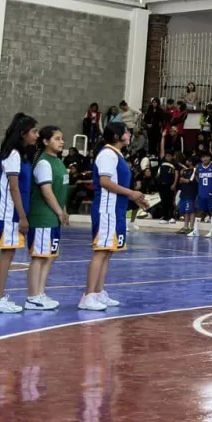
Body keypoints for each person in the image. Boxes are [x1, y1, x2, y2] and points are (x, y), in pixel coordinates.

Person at [82, 123, 145, 311]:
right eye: (126, 132)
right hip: (106, 209)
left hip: (115, 209)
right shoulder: (108, 154)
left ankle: (99, 292)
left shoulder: (116, 155)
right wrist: (131, 193)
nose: (129, 135)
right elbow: (105, 182)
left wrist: (136, 198)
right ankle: (88, 295)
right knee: (101, 251)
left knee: (108, 252)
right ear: (117, 136)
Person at [0, 113, 39, 314]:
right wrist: (22, 216)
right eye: (34, 131)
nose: (37, 135)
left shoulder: (21, 154)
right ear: (23, 133)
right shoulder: (14, 155)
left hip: (13, 212)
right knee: (6, 254)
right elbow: (14, 188)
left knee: (8, 253)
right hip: (10, 213)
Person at [24, 125, 69, 310]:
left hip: (53, 216)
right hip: (43, 216)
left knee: (49, 256)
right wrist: (59, 211)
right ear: (45, 141)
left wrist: (63, 210)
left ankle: (40, 293)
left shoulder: (58, 161)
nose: (62, 142)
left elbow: (60, 191)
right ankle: (33, 296)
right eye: (57, 138)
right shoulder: (43, 163)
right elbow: (47, 191)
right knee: (39, 256)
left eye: (62, 138)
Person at [193, 150, 212, 237]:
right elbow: (196, 175)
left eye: (207, 157)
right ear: (201, 158)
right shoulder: (198, 166)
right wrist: (199, 182)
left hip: (211, 193)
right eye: (203, 157)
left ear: (210, 157)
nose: (205, 158)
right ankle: (195, 230)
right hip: (202, 192)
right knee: (199, 211)